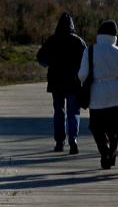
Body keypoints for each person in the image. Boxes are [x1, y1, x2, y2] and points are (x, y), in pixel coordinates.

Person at [77, 20, 118, 170]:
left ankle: (104, 151)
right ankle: (112, 154)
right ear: (114, 36)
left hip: (96, 95)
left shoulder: (90, 51)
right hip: (116, 96)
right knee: (113, 129)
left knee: (96, 127)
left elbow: (82, 74)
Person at [36, 12, 86, 153]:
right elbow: (86, 60)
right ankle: (73, 140)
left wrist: (50, 63)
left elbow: (41, 58)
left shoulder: (52, 40)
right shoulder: (78, 41)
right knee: (73, 112)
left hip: (56, 82)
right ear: (72, 25)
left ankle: (59, 142)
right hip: (73, 82)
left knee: (59, 111)